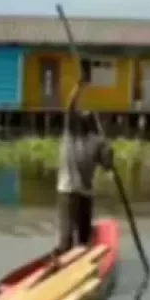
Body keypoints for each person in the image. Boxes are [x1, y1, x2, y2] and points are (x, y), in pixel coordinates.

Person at [56, 99, 114, 254]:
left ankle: (75, 258)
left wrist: (108, 151)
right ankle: (64, 260)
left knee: (82, 238)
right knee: (68, 239)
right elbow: (69, 108)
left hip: (83, 194)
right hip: (68, 191)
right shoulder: (71, 136)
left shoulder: (96, 142)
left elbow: (107, 165)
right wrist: (78, 88)